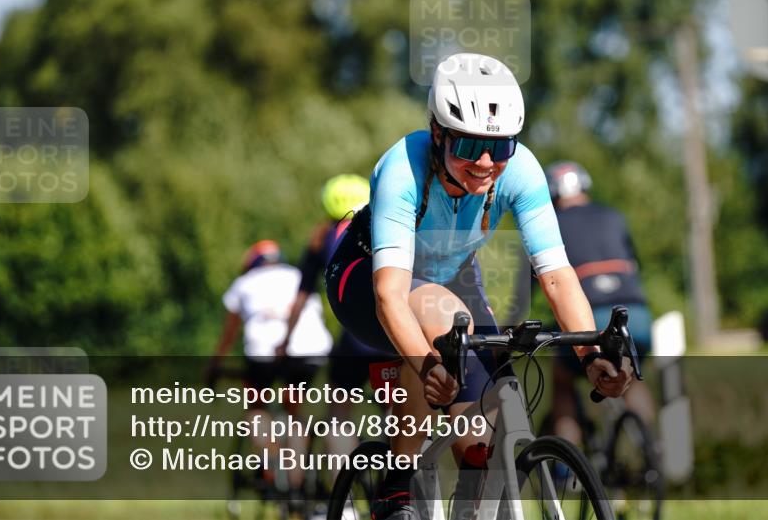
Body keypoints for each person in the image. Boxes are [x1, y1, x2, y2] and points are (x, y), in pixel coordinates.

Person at [323, 53, 634, 520]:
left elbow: (556, 275)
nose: (486, 162)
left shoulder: (522, 171)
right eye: (468, 147)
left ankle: (471, 501)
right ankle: (396, 483)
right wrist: (429, 366)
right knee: (436, 319)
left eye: (501, 147)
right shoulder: (403, 169)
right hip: (365, 281)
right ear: (437, 134)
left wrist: (590, 355)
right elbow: (391, 295)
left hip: (452, 279)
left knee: (486, 423)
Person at [535, 161, 656, 437]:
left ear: (553, 195)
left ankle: (567, 468)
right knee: (633, 381)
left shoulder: (550, 225)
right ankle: (652, 454)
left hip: (590, 316)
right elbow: (635, 263)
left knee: (562, 383)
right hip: (635, 314)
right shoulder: (614, 215)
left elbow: (541, 283)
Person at [277, 174, 392, 460]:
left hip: (352, 340)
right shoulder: (387, 228)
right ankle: (400, 489)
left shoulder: (321, 239)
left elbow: (301, 298)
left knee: (339, 416)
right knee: (397, 411)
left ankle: (348, 502)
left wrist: (285, 341)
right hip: (392, 334)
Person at [209, 240, 333, 500]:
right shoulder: (298, 275)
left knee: (256, 406)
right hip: (310, 349)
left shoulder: (244, 282)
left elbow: (229, 333)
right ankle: (296, 486)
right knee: (294, 414)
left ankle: (270, 464)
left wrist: (215, 364)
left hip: (264, 350)